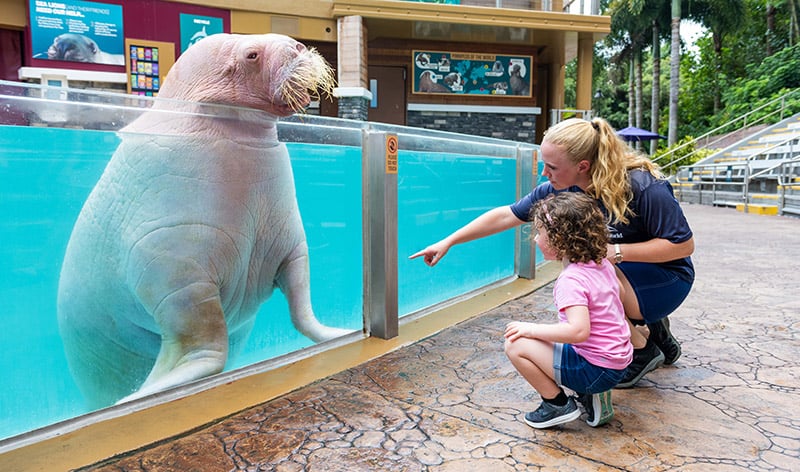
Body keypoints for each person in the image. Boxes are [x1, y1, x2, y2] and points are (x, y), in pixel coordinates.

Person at [410, 117, 694, 389]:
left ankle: (643, 351)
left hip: (668, 277)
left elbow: (682, 245)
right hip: (630, 275)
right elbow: (506, 215)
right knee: (590, 269)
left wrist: (613, 252)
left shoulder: (642, 186)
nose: (545, 174)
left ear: (583, 165)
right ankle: (654, 329)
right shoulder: (561, 189)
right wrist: (449, 241)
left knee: (587, 271)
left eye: (552, 167)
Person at [504, 192, 632, 428]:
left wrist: (530, 329)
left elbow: (578, 332)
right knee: (558, 342)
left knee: (516, 344)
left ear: (559, 239)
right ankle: (590, 393)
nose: (535, 239)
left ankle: (556, 405)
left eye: (540, 232)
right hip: (618, 362)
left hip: (596, 368)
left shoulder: (571, 279)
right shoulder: (602, 263)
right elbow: (619, 298)